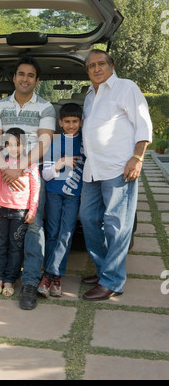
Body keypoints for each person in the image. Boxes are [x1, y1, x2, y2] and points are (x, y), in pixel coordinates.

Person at [0, 55, 56, 309]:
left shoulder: (46, 107)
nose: (25, 79)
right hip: (3, 170)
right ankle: (13, 249)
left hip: (31, 172)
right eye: (21, 74)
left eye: (30, 75)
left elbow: (45, 141)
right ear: (14, 78)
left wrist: (20, 167)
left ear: (37, 80)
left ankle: (29, 282)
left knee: (33, 224)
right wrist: (5, 167)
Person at [79, 49, 152, 301]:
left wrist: (138, 157)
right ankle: (103, 271)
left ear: (111, 65)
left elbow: (144, 124)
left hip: (119, 168)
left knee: (116, 225)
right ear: (87, 71)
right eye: (91, 66)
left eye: (101, 64)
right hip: (92, 169)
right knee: (88, 219)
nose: (96, 69)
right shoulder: (90, 95)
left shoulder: (126, 87)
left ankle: (112, 281)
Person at [38, 103, 85, 298]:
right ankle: (52, 274)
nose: (71, 125)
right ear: (60, 122)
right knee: (52, 232)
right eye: (67, 121)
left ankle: (52, 275)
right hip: (54, 192)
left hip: (74, 194)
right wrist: (60, 163)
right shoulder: (54, 142)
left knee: (66, 233)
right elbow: (46, 174)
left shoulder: (85, 141)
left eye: (75, 121)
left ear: (81, 122)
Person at [0, 128, 40, 297]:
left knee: (15, 247)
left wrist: (32, 211)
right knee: (0, 245)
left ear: (25, 145)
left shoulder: (30, 165)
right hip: (2, 210)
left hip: (20, 212)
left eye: (17, 144)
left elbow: (35, 189)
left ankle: (10, 280)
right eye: (9, 144)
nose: (13, 148)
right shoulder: (3, 163)